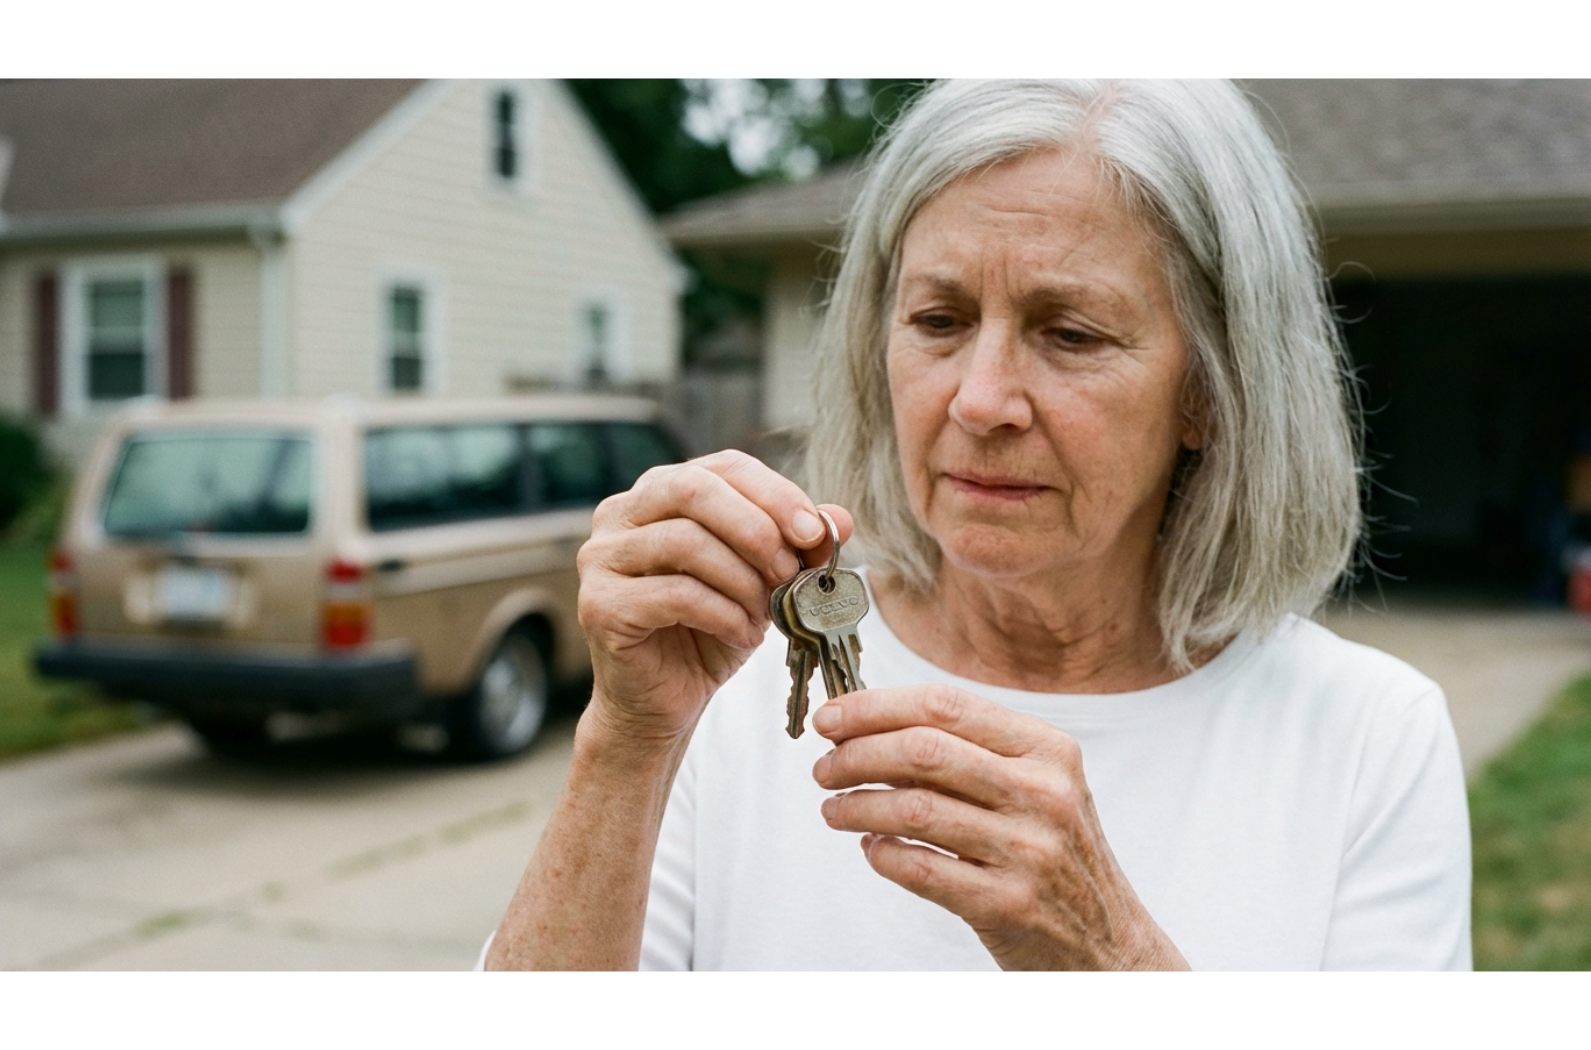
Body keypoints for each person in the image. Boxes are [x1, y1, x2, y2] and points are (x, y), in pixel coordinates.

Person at [483, 79, 1471, 971]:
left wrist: (1106, 962)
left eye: (1069, 333)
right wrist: (622, 740)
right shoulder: (722, 683)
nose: (981, 399)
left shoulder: (1367, 740)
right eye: (938, 322)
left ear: (1210, 392)